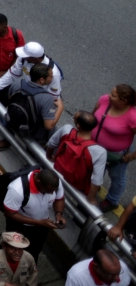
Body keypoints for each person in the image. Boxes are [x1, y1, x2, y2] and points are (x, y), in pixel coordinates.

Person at [2, 168, 65, 286]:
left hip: (40, 226)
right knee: (15, 255)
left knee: (33, 254)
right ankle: (10, 282)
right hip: (20, 227)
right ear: (38, 182)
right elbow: (10, 213)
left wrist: (58, 214)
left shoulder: (54, 184)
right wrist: (38, 222)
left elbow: (59, 199)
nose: (51, 194)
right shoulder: (17, 189)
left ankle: (30, 282)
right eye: (47, 192)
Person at [90, 84, 136, 212]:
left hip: (116, 154)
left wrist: (131, 157)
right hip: (96, 147)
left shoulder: (133, 116)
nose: (109, 96)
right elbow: (93, 115)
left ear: (123, 100)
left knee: (117, 177)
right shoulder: (104, 100)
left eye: (113, 95)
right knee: (96, 170)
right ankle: (95, 187)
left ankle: (112, 200)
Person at [47, 111, 106, 204]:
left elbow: (51, 143)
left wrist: (49, 157)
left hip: (59, 168)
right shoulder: (99, 151)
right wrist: (90, 199)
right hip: (78, 183)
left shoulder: (66, 130)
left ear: (78, 126)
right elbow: (96, 180)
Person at [64, 249, 131, 286]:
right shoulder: (76, 277)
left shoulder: (123, 268)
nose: (117, 278)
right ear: (96, 267)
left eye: (119, 272)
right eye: (111, 275)